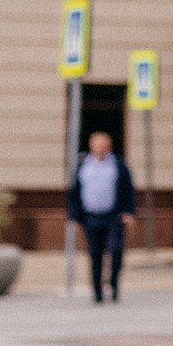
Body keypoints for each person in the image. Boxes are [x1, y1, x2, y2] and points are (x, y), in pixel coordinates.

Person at [68, 130, 135, 303]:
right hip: (90, 217)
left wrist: (129, 212)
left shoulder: (118, 165)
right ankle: (97, 291)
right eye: (97, 143)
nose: (100, 147)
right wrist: (74, 217)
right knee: (95, 254)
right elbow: (74, 193)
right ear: (91, 145)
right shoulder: (83, 165)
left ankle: (113, 283)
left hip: (114, 216)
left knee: (116, 250)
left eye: (103, 144)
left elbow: (128, 190)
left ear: (109, 146)